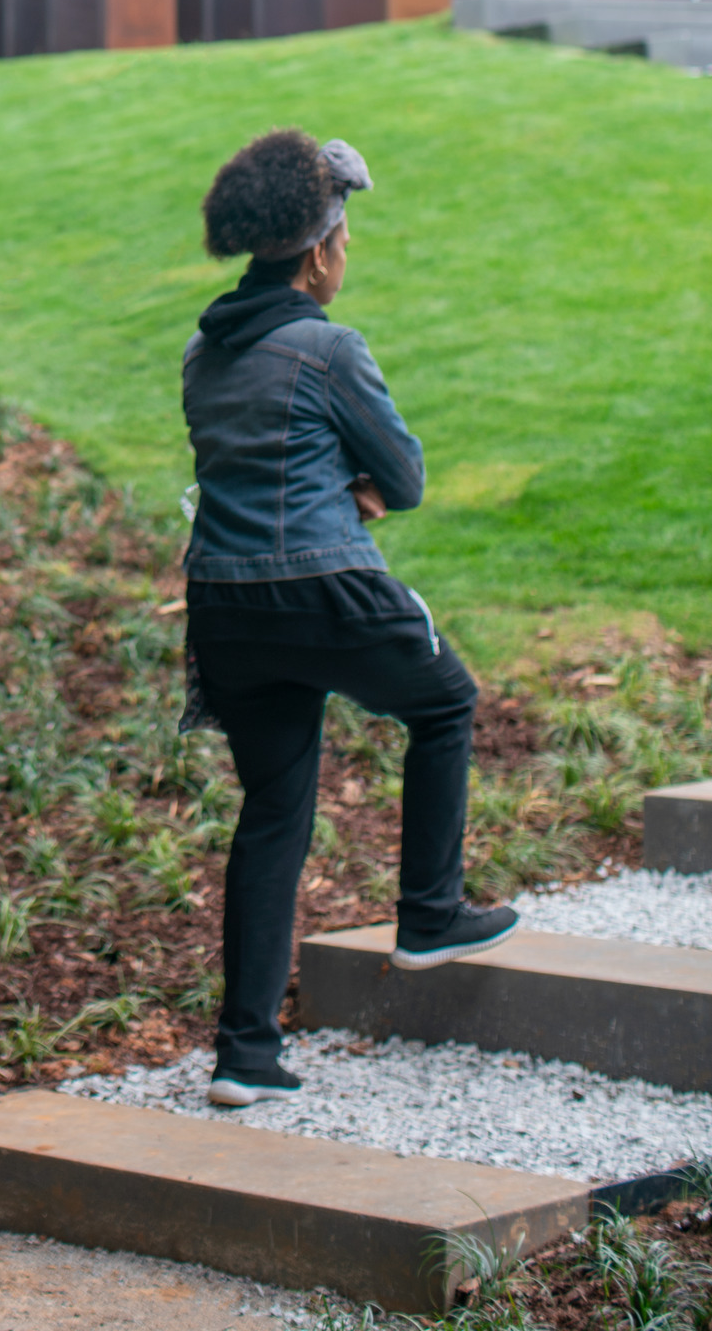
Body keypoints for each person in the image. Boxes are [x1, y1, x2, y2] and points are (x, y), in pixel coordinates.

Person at [182, 128, 516, 1107]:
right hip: (322, 585)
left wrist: (332, 482)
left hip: (224, 609)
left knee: (275, 811)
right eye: (346, 239)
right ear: (320, 250)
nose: (347, 256)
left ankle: (245, 1056)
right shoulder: (328, 348)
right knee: (447, 702)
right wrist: (357, 488)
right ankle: (429, 915)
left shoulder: (205, 351)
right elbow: (404, 479)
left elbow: (249, 467)